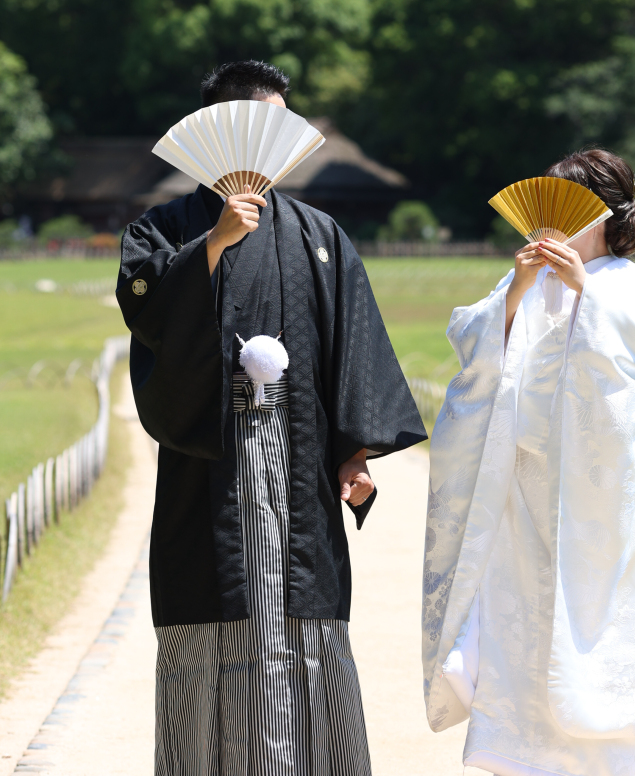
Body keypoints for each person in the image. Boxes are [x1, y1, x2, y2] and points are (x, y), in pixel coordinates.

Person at [117, 59, 426, 776]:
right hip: (212, 465)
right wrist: (216, 243)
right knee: (216, 617)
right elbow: (151, 317)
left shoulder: (320, 234)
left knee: (304, 620)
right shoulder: (162, 229)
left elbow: (354, 349)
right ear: (225, 129)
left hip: (301, 459)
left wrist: (355, 454)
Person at [422, 149, 635, 776]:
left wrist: (583, 290)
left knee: (590, 623)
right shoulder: (529, 278)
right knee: (518, 630)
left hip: (593, 497)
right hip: (521, 493)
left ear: (609, 217)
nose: (556, 225)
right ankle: (515, 756)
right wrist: (516, 288)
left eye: (575, 210)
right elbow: (473, 347)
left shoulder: (630, 283)